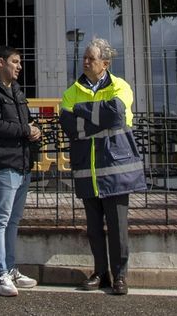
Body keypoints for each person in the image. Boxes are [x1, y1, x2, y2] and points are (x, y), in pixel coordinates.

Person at [59, 38, 145, 295]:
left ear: (105, 64)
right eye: (84, 57)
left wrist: (82, 111)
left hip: (115, 170)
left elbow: (117, 115)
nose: (85, 61)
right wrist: (99, 116)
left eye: (91, 58)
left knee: (118, 228)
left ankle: (120, 276)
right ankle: (100, 272)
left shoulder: (121, 86)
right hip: (88, 170)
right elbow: (68, 125)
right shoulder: (71, 90)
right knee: (94, 229)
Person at [0, 44, 43, 297]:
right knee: (0, 220)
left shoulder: (16, 91)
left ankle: (11, 269)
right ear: (0, 63)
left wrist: (35, 130)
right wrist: (26, 130)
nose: (19, 66)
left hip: (22, 164)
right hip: (3, 164)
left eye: (19, 62)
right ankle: (0, 274)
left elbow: (24, 121)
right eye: (15, 61)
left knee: (12, 221)